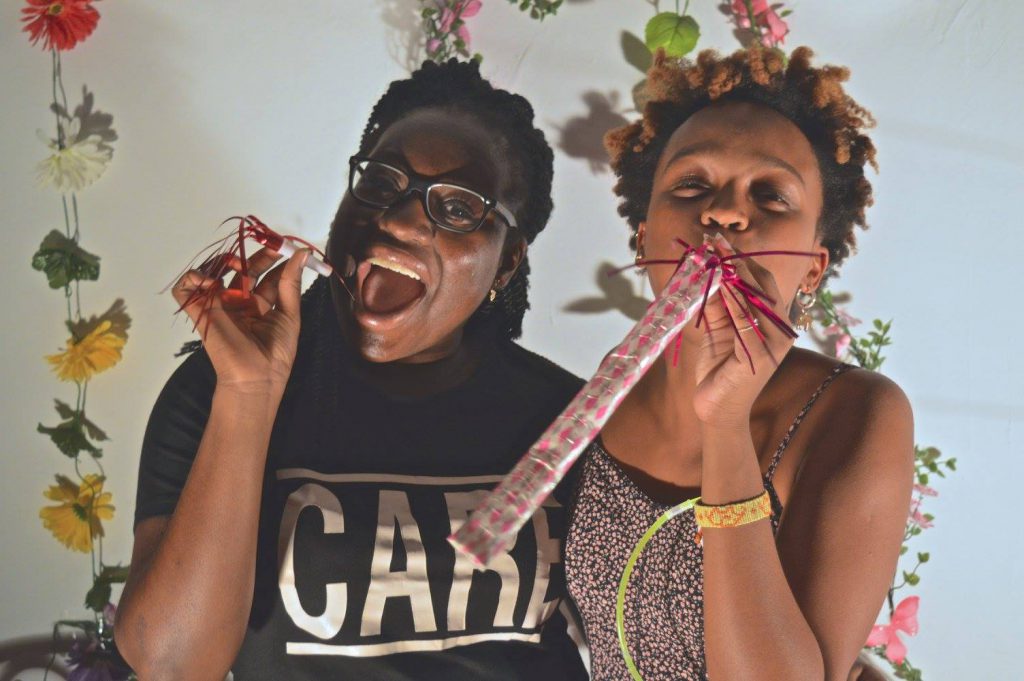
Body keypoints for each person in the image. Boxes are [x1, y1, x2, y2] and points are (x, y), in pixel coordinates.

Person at [115, 59, 588, 681]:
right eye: (381, 182)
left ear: (507, 262)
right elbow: (171, 662)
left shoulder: (567, 416)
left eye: (456, 207)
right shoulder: (217, 392)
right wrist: (249, 395)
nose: (394, 218)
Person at [564, 47, 914, 680]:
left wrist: (726, 424)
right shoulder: (601, 397)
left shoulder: (856, 412)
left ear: (812, 264)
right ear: (643, 239)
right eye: (692, 185)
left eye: (770, 196)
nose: (723, 213)